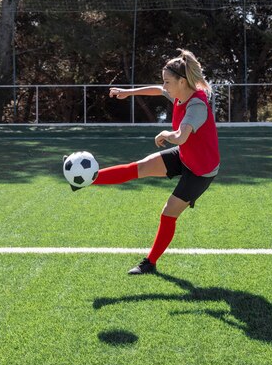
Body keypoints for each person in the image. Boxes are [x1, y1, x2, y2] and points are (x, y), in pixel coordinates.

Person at [91, 49, 220, 274]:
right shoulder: (180, 92)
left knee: (168, 213)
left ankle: (149, 263)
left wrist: (165, 133)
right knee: (139, 167)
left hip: (201, 171)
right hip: (185, 156)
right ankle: (88, 179)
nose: (165, 86)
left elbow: (180, 136)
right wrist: (127, 92)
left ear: (182, 81)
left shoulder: (196, 105)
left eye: (168, 81)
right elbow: (157, 90)